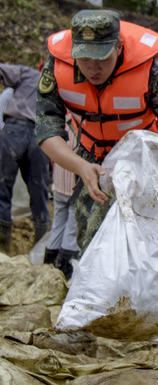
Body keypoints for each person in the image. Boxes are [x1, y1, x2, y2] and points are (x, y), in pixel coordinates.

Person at [35, 9, 158, 252]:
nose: (93, 69)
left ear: (119, 47)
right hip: (90, 158)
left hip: (140, 160)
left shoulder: (148, 69)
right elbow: (46, 127)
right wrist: (80, 166)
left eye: (101, 59)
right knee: (90, 239)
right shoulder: (57, 66)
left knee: (136, 242)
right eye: (85, 60)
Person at [0, 63, 51, 252]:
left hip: (15, 129)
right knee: (40, 190)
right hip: (42, 136)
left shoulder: (27, 73)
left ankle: (3, 245)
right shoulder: (60, 83)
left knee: (3, 187)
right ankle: (42, 246)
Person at [44, 116, 80, 280]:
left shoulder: (60, 119)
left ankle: (50, 260)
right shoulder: (81, 123)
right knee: (72, 223)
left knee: (58, 221)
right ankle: (65, 265)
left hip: (59, 181)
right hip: (74, 182)